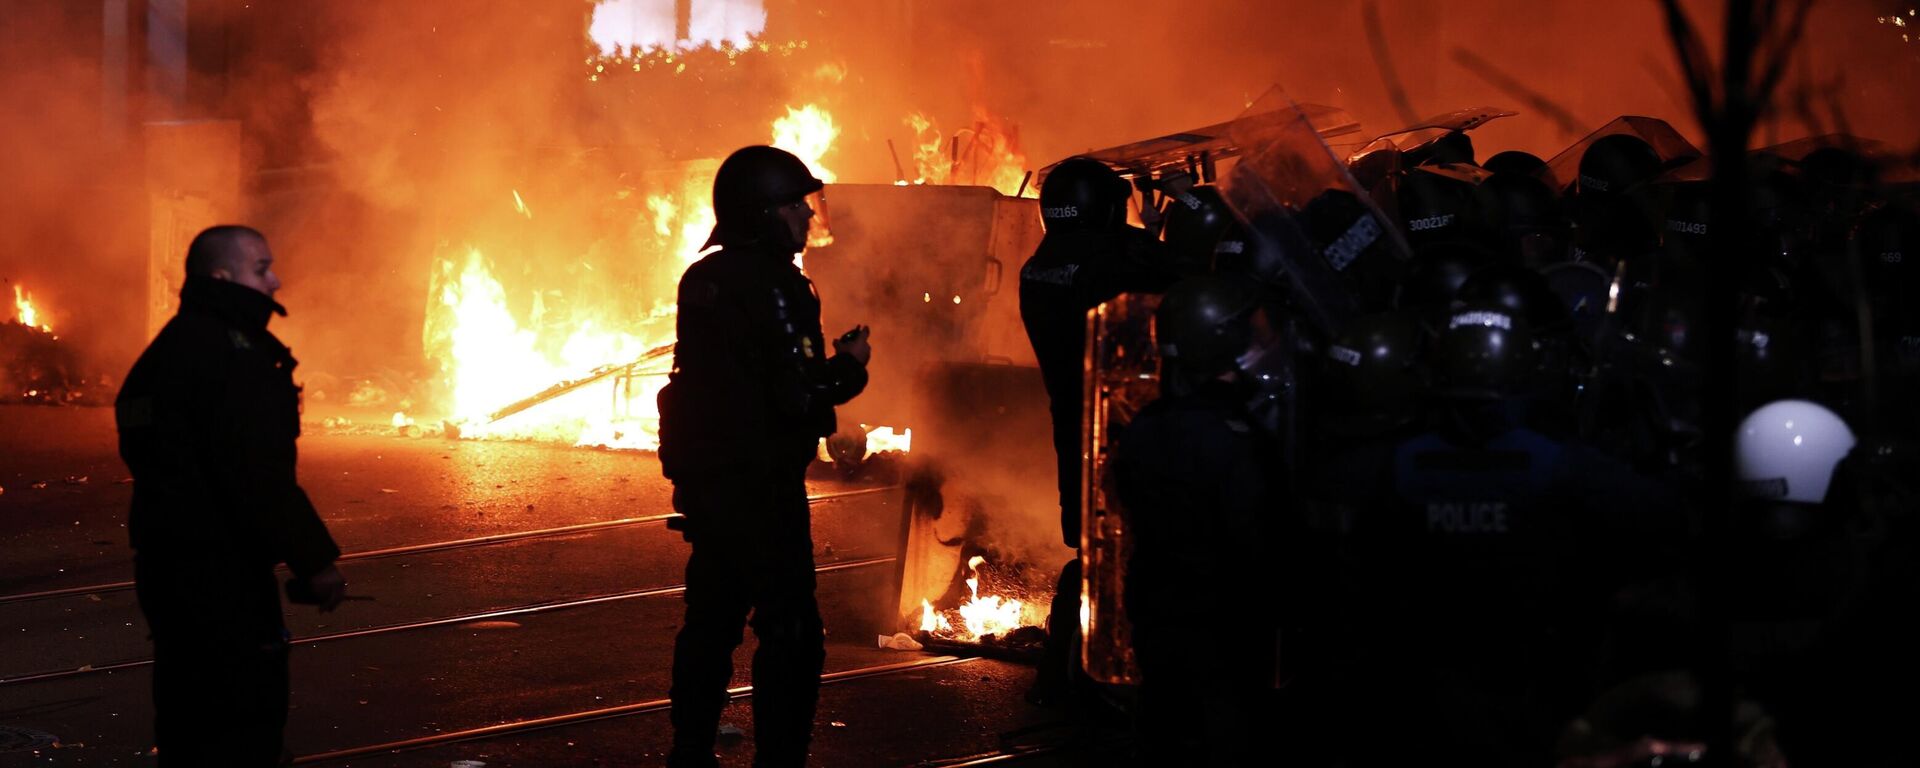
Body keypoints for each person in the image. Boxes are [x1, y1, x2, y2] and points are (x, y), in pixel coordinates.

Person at [656, 145, 870, 768]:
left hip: (708, 480)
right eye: (795, 205)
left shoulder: (703, 278)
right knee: (791, 631)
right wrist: (849, 369)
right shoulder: (780, 286)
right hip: (762, 484)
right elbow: (797, 394)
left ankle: (689, 750)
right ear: (762, 212)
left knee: (711, 621)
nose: (807, 216)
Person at [115, 224, 346, 767]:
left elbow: (146, 445)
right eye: (261, 268)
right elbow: (257, 473)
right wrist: (315, 561)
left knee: (187, 712)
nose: (276, 280)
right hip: (223, 572)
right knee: (243, 717)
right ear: (222, 276)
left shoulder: (167, 349)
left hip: (167, 565)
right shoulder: (231, 355)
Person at [1113, 274, 1294, 766]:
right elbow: (1258, 542)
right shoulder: (1237, 441)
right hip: (1225, 629)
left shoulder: (1146, 428)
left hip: (1157, 615)